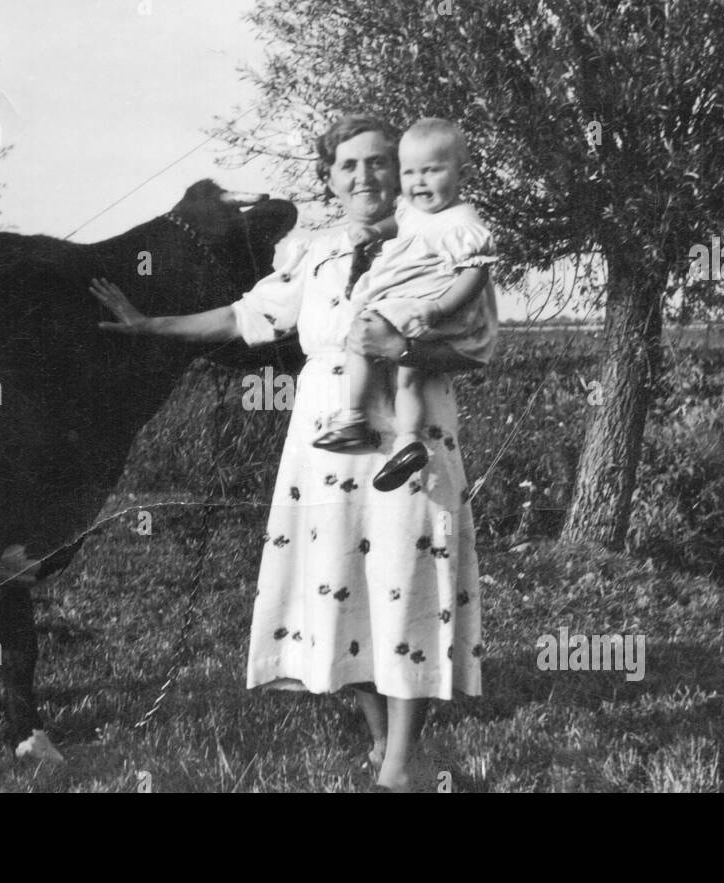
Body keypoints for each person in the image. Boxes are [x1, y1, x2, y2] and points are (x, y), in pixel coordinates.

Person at [89, 113, 490, 792]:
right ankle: (381, 744)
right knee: (346, 586)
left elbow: (478, 346)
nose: (365, 176)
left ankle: (399, 766)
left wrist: (406, 348)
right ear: (329, 180)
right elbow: (246, 316)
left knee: (410, 581)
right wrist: (150, 323)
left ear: (400, 171)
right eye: (348, 165)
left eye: (379, 162)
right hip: (325, 442)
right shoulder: (315, 254)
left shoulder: (440, 235)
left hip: (409, 438)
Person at [312, 118, 499, 495]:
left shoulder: (462, 222)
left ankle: (353, 416)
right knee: (407, 377)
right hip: (413, 313)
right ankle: (408, 441)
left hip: (426, 310)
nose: (420, 182)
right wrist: (373, 232)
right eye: (411, 172)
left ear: (462, 173)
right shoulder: (411, 211)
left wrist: (439, 308)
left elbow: (475, 272)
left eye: (432, 171)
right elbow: (394, 224)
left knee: (361, 337)